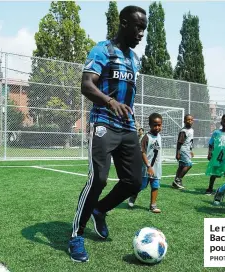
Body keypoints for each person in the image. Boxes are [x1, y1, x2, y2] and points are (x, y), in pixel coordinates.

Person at [68, 5, 147, 263]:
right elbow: (86, 85)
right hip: (103, 122)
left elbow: (129, 95)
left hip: (126, 128)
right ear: (123, 23)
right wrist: (110, 102)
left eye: (144, 29)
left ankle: (100, 210)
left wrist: (132, 119)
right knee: (99, 178)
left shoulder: (135, 59)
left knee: (136, 181)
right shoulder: (102, 50)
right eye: (138, 27)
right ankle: (76, 236)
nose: (141, 33)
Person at [128, 113, 163, 213]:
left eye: (159, 125)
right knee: (142, 186)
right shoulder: (146, 137)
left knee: (155, 185)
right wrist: (148, 166)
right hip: (146, 168)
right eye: (155, 125)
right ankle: (133, 195)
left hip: (156, 168)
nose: (157, 127)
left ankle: (153, 205)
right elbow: (142, 152)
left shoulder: (159, 136)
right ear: (150, 125)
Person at [173, 114, 194, 189]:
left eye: (191, 120)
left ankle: (175, 181)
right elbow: (179, 143)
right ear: (184, 121)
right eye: (188, 120)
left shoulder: (191, 130)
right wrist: (177, 153)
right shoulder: (183, 131)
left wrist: (191, 150)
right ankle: (178, 179)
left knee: (181, 166)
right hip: (183, 150)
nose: (190, 121)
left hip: (187, 150)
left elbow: (190, 141)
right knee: (189, 164)